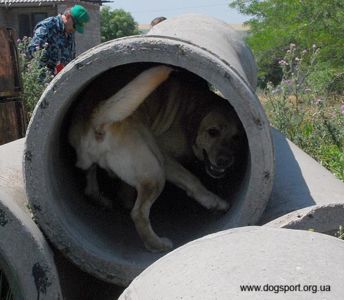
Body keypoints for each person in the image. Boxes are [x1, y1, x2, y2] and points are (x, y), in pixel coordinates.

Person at [27, 4, 89, 75]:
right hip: (44, 80)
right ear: (68, 16)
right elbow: (33, 51)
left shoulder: (69, 31)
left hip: (63, 81)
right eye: (75, 26)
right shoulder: (47, 27)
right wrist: (53, 66)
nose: (74, 30)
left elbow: (70, 57)